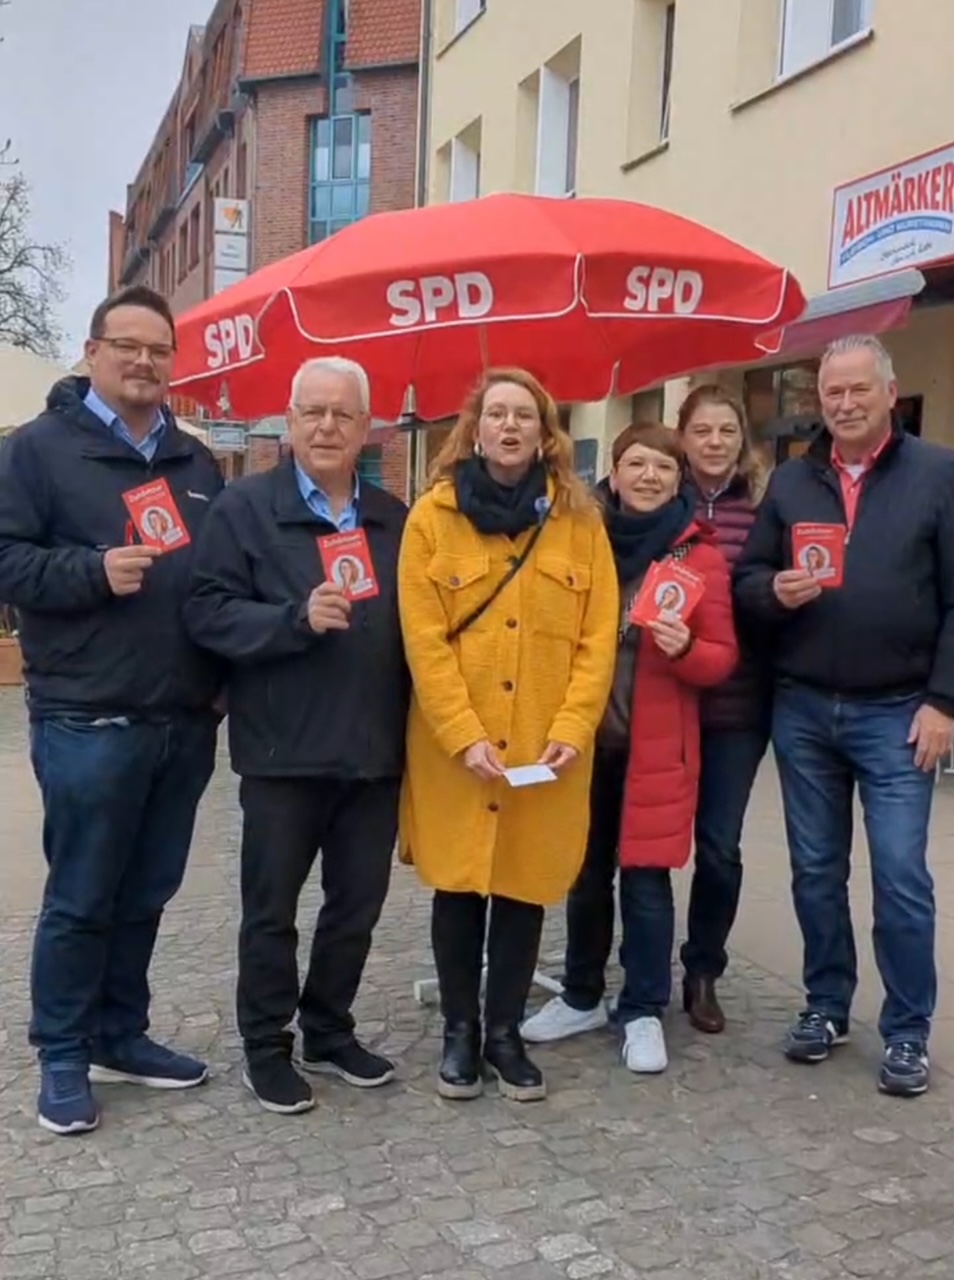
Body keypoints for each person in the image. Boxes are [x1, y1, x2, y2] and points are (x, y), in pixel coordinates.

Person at [0, 285, 225, 1136]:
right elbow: (6, 561)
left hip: (182, 718)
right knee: (83, 893)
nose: (143, 361)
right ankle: (62, 1050)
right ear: (93, 351)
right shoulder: (38, 450)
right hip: (86, 716)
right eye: (127, 345)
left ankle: (120, 1034)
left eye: (159, 350)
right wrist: (91, 571)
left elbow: (215, 580)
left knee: (148, 890)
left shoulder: (194, 461)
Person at [184, 356, 408, 1115]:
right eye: (313, 412)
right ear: (289, 419)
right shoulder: (244, 509)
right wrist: (293, 619)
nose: (326, 427)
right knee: (272, 911)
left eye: (343, 414)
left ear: (367, 426)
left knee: (356, 908)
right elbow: (207, 613)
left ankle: (329, 1029)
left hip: (373, 750)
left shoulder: (393, 518)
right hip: (282, 750)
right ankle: (266, 1045)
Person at [734, 335, 954, 1098]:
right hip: (803, 709)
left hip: (899, 713)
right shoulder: (793, 479)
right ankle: (826, 1004)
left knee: (900, 876)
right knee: (816, 872)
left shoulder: (939, 474)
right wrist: (773, 591)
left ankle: (907, 1030)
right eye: (834, 392)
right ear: (819, 400)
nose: (847, 403)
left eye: (860, 389)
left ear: (890, 393)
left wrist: (944, 701)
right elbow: (748, 578)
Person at [398, 367, 618, 1102]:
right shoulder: (432, 519)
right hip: (455, 749)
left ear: (546, 433)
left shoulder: (580, 522)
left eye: (525, 415)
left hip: (544, 747)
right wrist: (462, 733)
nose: (510, 426)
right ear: (475, 429)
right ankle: (460, 1032)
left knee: (525, 887)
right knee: (460, 886)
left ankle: (504, 1033)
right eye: (497, 413)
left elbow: (598, 637)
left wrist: (574, 725)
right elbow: (424, 641)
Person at [521, 423, 738, 1073]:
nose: (649, 477)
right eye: (636, 464)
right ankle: (582, 994)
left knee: (646, 879)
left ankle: (643, 1007)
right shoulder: (580, 538)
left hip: (655, 746)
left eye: (663, 468)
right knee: (585, 874)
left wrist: (687, 647)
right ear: (614, 474)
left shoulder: (699, 555)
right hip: (584, 742)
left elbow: (723, 657)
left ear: (679, 479)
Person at [676, 385, 773, 1033]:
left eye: (727, 431)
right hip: (665, 704)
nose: (715, 442)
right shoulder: (658, 492)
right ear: (682, 438)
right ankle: (635, 963)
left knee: (719, 846)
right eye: (702, 431)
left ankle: (704, 969)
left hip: (739, 707)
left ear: (742, 440)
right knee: (648, 843)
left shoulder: (766, 506)